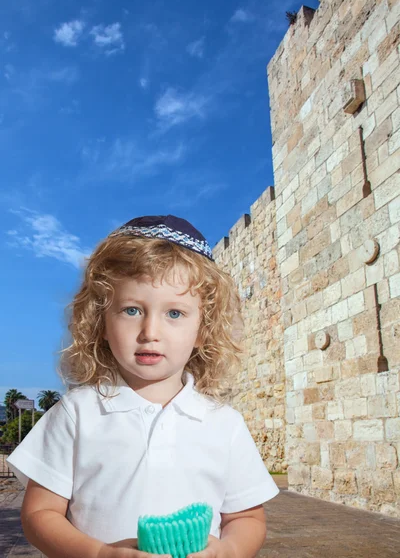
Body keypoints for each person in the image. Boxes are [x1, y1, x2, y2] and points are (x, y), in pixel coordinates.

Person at [7, 215, 279, 558]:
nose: (150, 331)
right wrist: (101, 554)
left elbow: (247, 518)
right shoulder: (77, 413)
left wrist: (227, 552)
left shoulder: (225, 424)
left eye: (175, 314)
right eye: (132, 310)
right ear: (101, 322)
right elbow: (39, 514)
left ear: (203, 330)